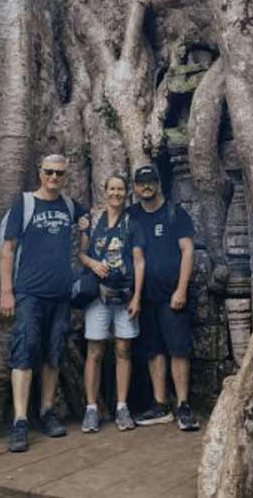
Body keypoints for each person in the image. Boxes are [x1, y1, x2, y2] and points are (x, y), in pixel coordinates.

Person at [0, 154, 89, 452]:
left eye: (59, 174)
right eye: (49, 172)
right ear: (40, 173)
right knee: (24, 350)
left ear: (65, 177)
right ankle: (21, 420)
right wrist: (6, 291)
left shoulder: (68, 205)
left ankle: (47, 410)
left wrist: (87, 231)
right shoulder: (23, 204)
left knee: (53, 354)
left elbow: (90, 217)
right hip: (28, 293)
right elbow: (8, 250)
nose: (54, 178)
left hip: (60, 295)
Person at [127, 164, 200, 431]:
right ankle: (160, 404)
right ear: (135, 187)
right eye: (141, 183)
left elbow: (188, 251)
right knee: (153, 350)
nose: (146, 187)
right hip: (144, 297)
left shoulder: (174, 213)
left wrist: (181, 289)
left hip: (172, 295)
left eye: (151, 182)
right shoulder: (132, 215)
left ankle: (183, 404)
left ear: (158, 184)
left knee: (178, 349)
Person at [79, 174, 146, 433]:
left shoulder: (132, 223)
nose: (115, 193)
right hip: (97, 295)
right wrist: (93, 263)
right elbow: (82, 254)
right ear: (104, 191)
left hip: (125, 294)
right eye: (111, 189)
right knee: (94, 351)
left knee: (123, 350)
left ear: (126, 193)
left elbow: (139, 261)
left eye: (120, 189)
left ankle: (121, 406)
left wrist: (138, 297)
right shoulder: (93, 219)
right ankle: (91, 408)